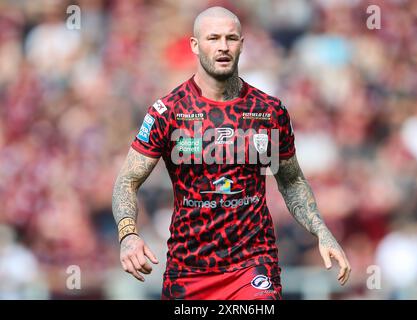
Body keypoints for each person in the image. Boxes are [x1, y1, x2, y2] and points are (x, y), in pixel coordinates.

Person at [112, 6, 351, 300]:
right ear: (195, 45)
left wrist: (321, 230)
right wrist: (128, 235)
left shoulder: (268, 111)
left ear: (242, 44)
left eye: (231, 38)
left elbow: (290, 181)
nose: (223, 46)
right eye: (213, 38)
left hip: (252, 266)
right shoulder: (169, 111)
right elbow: (127, 181)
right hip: (188, 271)